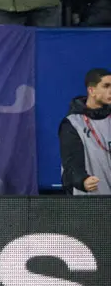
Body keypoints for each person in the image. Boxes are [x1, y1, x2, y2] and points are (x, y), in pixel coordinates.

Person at [59, 68, 111, 196]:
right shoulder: (72, 123)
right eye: (106, 86)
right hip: (89, 202)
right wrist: (82, 180)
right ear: (91, 91)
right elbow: (71, 163)